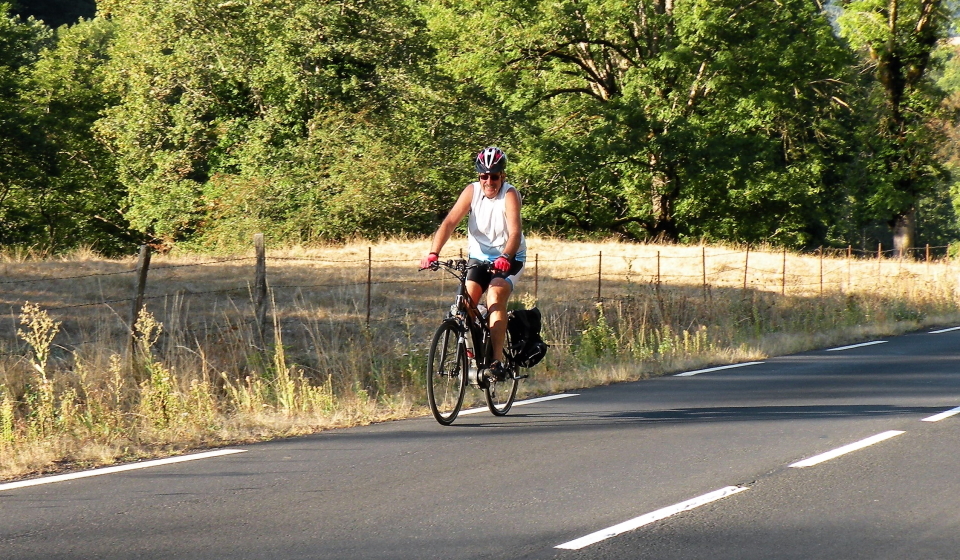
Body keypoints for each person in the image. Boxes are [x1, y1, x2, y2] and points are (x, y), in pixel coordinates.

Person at [420, 146, 527, 381]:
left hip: (509, 257)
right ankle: (472, 347)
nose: (489, 181)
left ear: (502, 176)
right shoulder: (472, 191)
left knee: (495, 296)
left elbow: (515, 233)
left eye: (494, 176)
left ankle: (496, 362)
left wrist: (504, 257)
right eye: (484, 176)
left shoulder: (510, 194)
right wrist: (433, 253)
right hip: (479, 257)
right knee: (466, 302)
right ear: (479, 176)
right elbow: (449, 222)